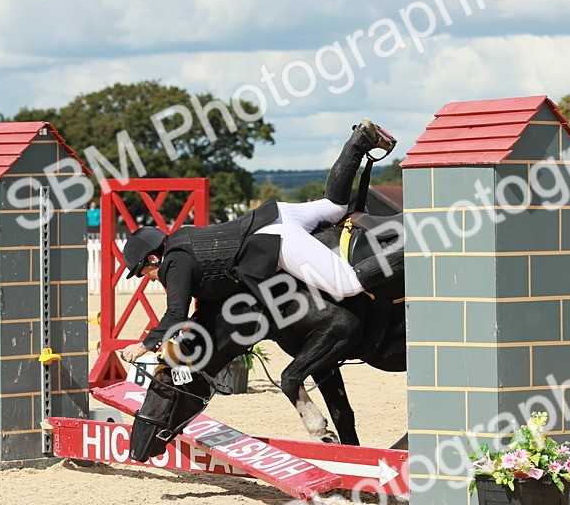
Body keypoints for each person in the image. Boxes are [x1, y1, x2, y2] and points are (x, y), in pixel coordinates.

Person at [121, 118, 399, 362]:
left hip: (274, 237)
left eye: (146, 273)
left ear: (154, 258)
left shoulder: (174, 264)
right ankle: (359, 140)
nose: (152, 279)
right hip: (276, 214)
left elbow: (175, 314)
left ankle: (410, 248)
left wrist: (144, 345)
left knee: (347, 283)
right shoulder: (181, 238)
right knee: (336, 205)